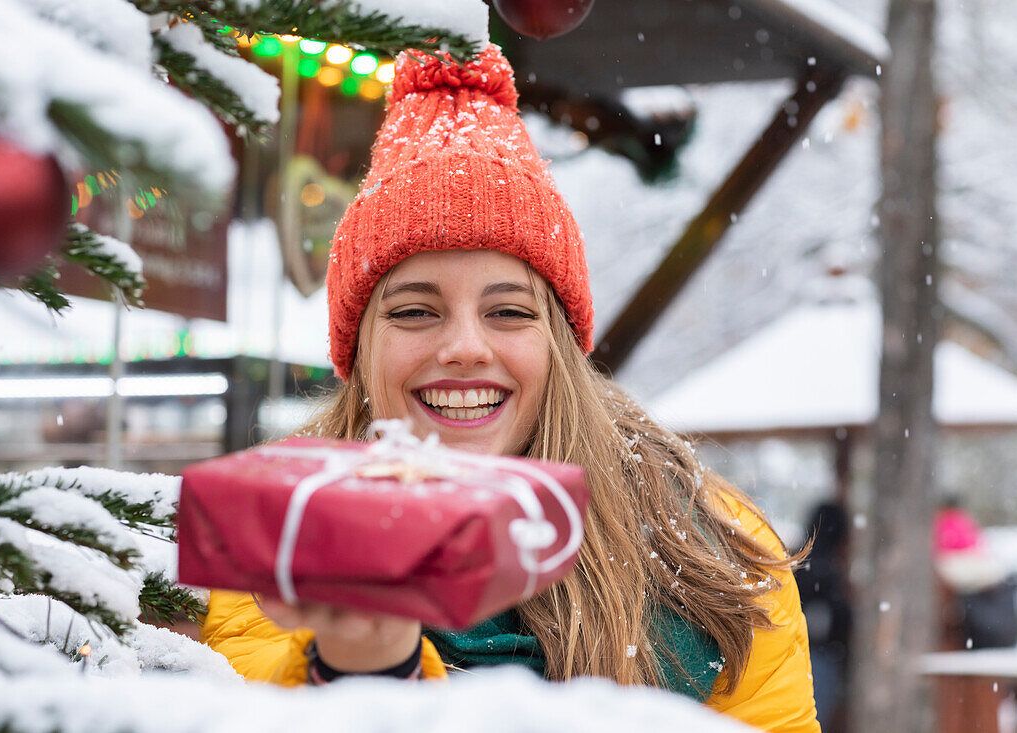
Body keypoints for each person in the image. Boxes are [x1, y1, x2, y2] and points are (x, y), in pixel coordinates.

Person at [201, 45, 819, 732]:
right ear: (358, 346)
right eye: (413, 311)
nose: (465, 346)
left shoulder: (717, 554)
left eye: (508, 311)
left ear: (558, 343)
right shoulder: (271, 540)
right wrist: (364, 668)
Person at [795, 502, 853, 733]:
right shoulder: (824, 569)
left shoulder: (797, 558)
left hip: (797, 654)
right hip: (818, 657)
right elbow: (832, 620)